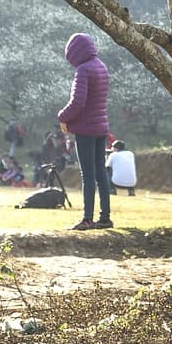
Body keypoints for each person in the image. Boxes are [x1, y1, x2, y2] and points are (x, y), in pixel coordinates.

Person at [57, 32, 111, 230]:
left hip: (86, 129)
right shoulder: (101, 66)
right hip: (101, 127)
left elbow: (78, 102)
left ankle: (87, 218)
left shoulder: (83, 70)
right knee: (100, 172)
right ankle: (105, 217)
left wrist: (62, 117)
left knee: (87, 174)